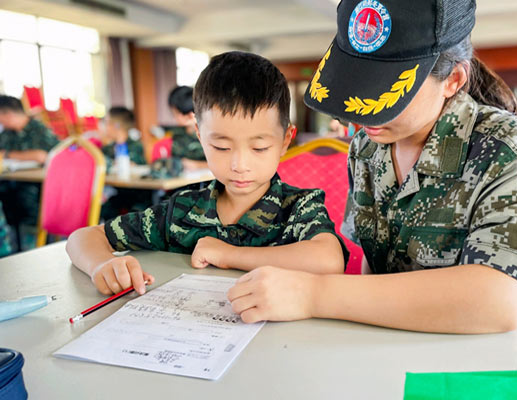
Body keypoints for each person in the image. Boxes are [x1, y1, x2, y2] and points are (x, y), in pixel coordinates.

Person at [226, 0, 517, 333]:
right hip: (402, 337)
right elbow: (374, 264)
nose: (360, 111)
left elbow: (499, 300)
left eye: (384, 90)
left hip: (509, 349)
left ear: (452, 80)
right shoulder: (367, 146)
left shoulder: (509, 148)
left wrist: (314, 294)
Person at [66, 51, 347, 296]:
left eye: (259, 147)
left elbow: (327, 259)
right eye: (221, 147)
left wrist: (230, 255)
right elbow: (83, 238)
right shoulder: (182, 211)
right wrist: (101, 265)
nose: (239, 164)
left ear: (286, 140)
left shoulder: (299, 207)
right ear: (200, 136)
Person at [0, 95, 59, 251]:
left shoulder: (38, 129)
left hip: (41, 184)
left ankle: (34, 246)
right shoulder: (7, 133)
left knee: (26, 197)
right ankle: (11, 246)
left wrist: (8, 154)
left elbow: (42, 156)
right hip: (13, 180)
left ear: (8, 114)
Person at [100, 106, 150, 220]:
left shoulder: (135, 146)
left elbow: (139, 168)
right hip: (116, 194)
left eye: (107, 123)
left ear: (117, 125)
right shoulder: (107, 149)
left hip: (136, 194)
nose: (104, 127)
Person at [166, 85, 208, 171]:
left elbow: (225, 164)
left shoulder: (210, 133)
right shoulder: (178, 134)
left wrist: (198, 165)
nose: (174, 117)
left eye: (175, 113)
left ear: (188, 114)